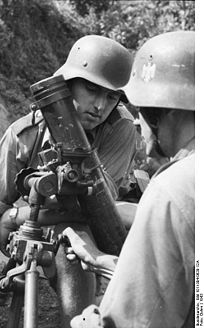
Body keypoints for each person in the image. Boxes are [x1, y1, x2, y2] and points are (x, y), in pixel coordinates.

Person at [0, 35, 137, 326]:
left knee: (75, 279)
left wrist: (16, 215)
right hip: (40, 226)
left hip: (91, 228)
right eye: (92, 89)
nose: (100, 106)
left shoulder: (121, 127)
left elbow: (100, 206)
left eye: (111, 96)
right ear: (68, 83)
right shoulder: (25, 133)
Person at [62, 30, 195, 328]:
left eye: (140, 111)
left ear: (162, 113)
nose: (137, 124)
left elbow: (136, 320)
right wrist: (104, 261)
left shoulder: (173, 190)